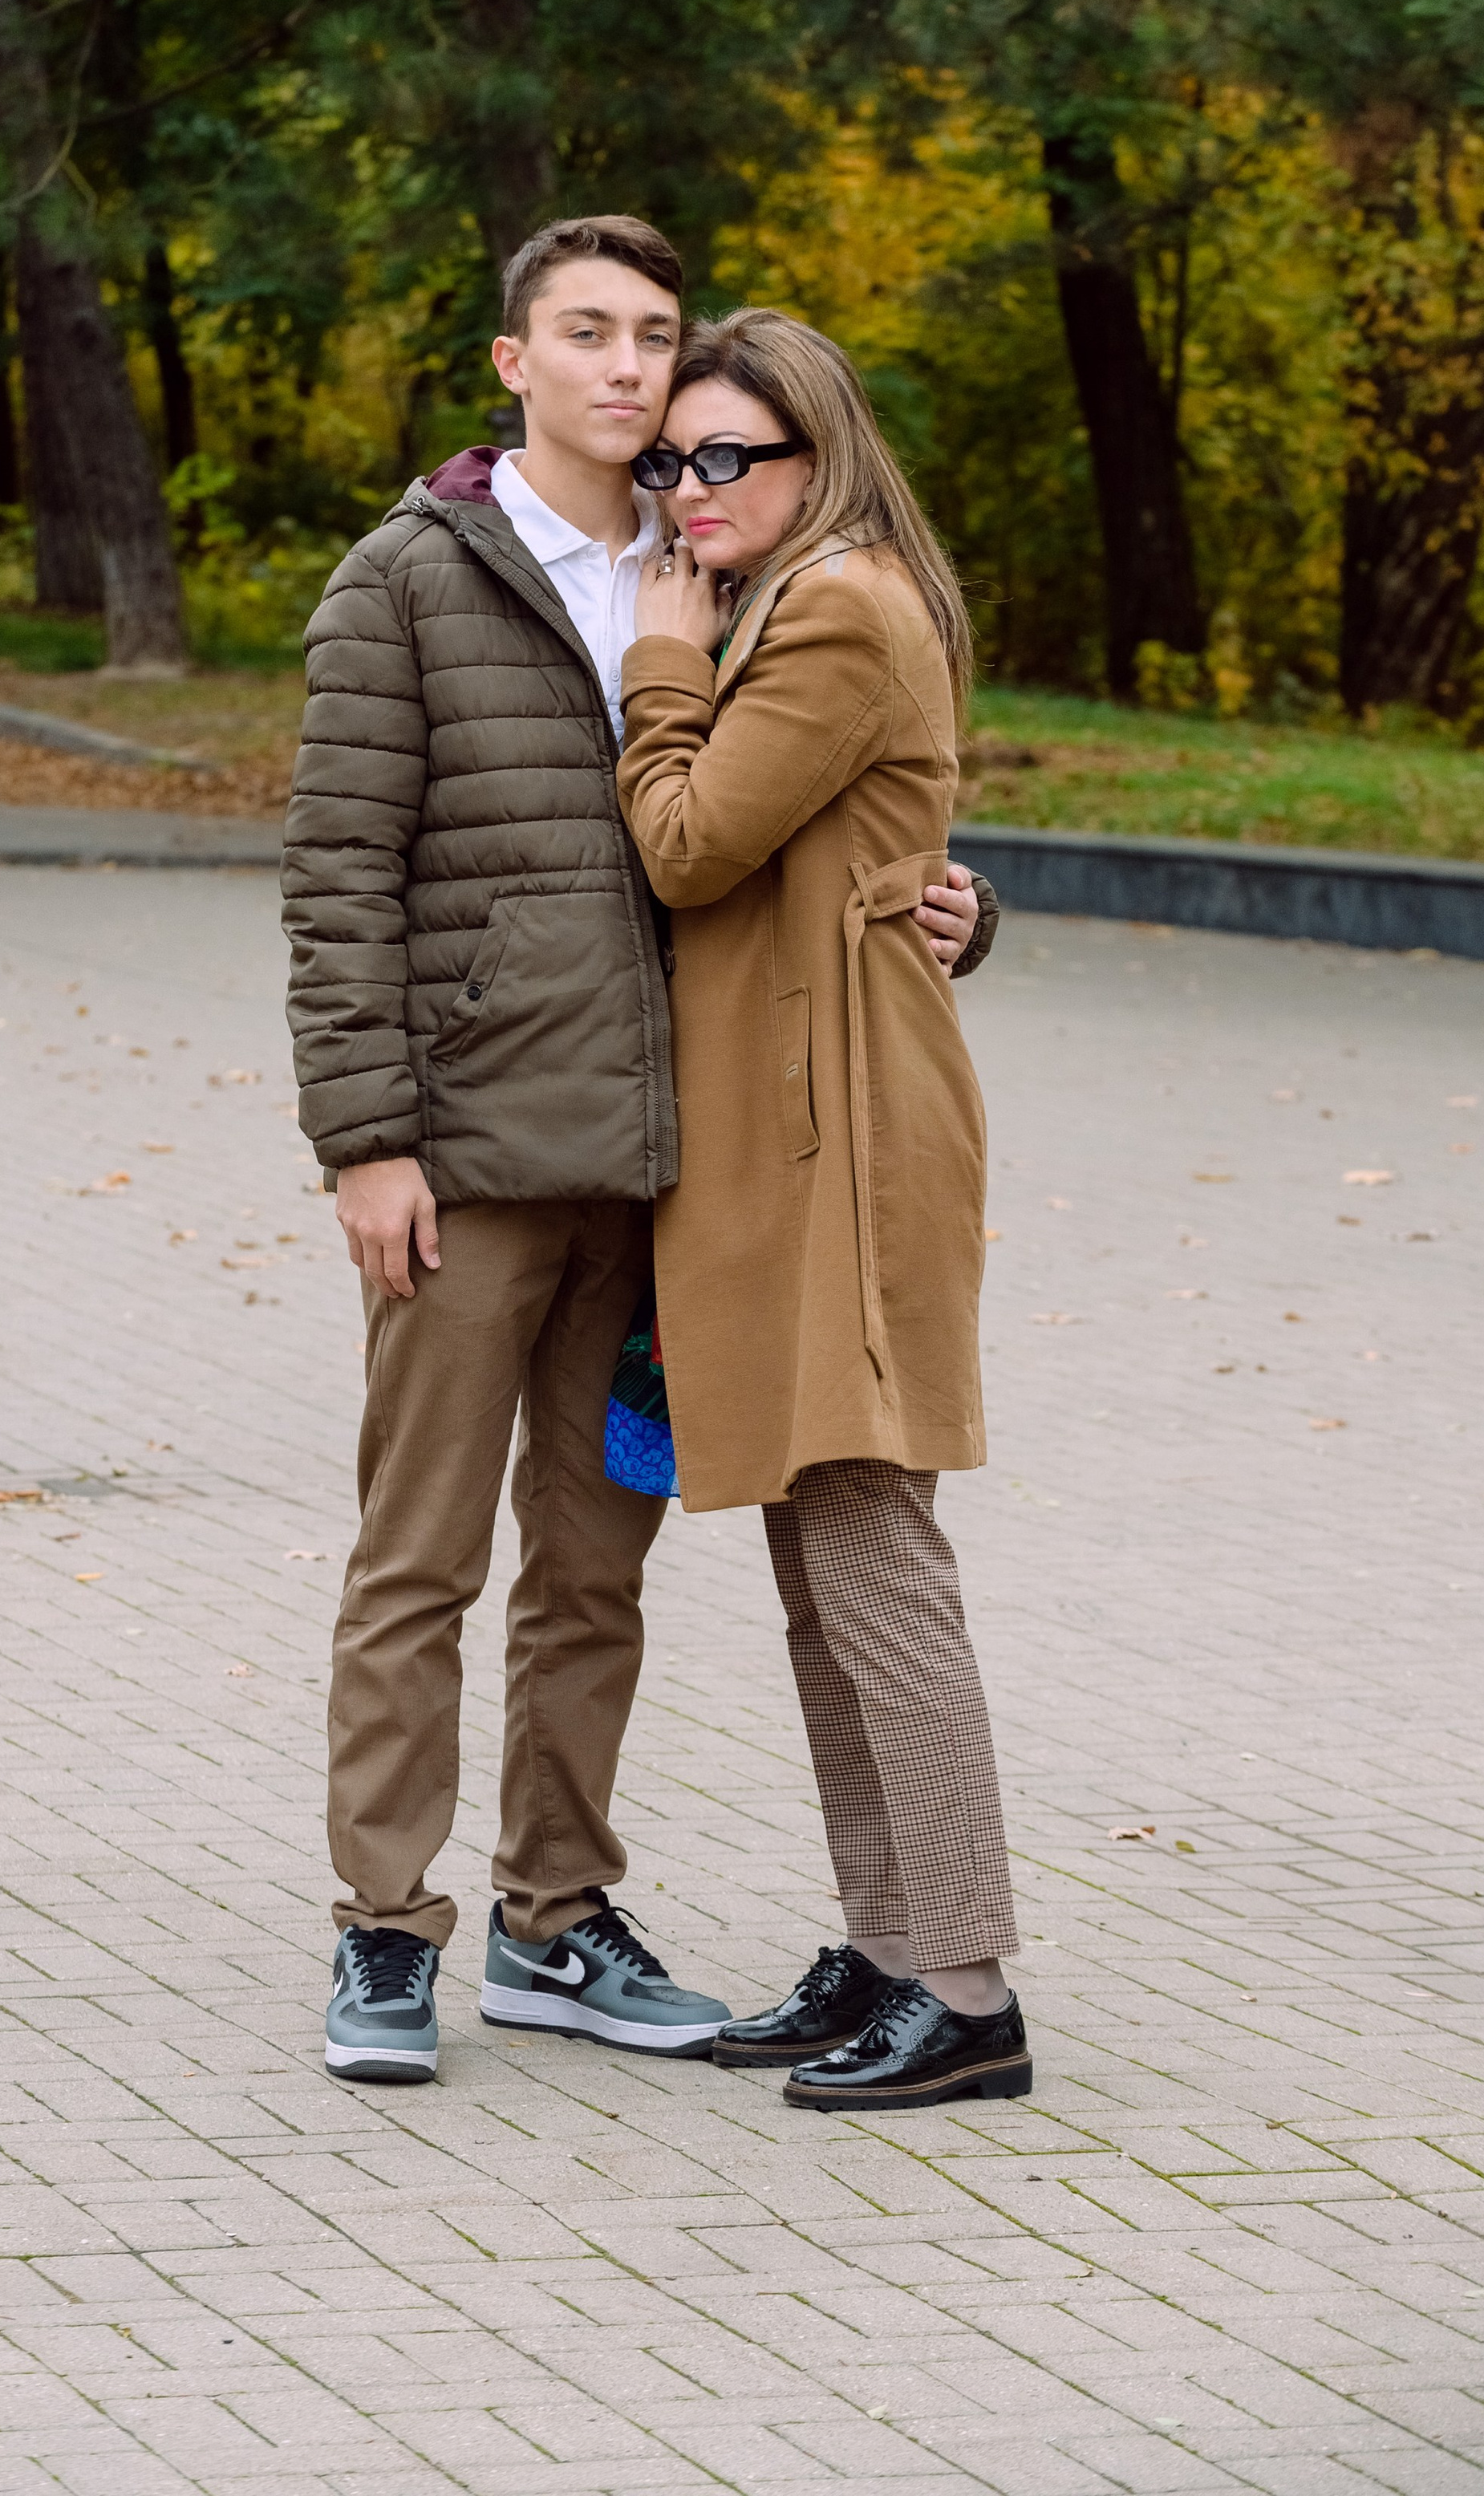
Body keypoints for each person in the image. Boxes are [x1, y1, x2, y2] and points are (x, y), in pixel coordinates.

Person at [281, 217, 993, 2085]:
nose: (623, 375)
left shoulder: (723, 573)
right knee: (414, 1559)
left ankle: (553, 1920)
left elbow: (823, 821)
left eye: (650, 341)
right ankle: (381, 1928)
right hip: (465, 1155)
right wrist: (365, 1139)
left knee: (594, 1576)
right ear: (512, 359)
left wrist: (940, 908)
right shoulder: (407, 579)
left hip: (665, 1180)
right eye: (582, 335)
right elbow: (337, 879)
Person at [616, 306, 1029, 2113]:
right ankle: (881, 1947)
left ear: (815, 458)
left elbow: (689, 842)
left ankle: (970, 1990)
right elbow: (861, 851)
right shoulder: (804, 600)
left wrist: (656, 668)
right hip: (795, 1126)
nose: (689, 491)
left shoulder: (835, 604)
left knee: (872, 1561)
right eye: (672, 461)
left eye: (727, 460)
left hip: (845, 1142)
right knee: (818, 1570)